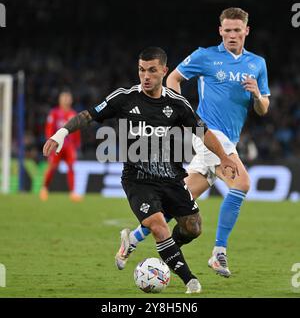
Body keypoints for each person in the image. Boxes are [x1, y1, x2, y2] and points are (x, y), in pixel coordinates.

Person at [43, 47, 238, 293]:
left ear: (164, 71)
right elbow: (89, 115)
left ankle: (143, 244)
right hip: (138, 180)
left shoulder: (176, 104)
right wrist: (61, 133)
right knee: (158, 226)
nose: (146, 76)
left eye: (152, 71)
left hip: (172, 178)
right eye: (141, 70)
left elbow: (204, 132)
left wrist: (224, 158)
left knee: (193, 228)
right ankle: (190, 280)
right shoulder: (124, 98)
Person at [116, 7, 270, 278]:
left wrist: (257, 95)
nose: (232, 35)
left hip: (227, 139)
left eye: (237, 30)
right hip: (208, 133)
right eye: (227, 30)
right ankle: (218, 252)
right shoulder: (205, 56)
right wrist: (184, 114)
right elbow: (174, 78)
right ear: (220, 30)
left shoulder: (257, 64)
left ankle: (134, 239)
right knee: (242, 183)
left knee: (182, 199)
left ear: (246, 31)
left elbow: (263, 109)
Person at [40, 90, 82, 202]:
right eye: (64, 98)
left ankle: (73, 193)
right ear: (60, 100)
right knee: (52, 167)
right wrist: (51, 141)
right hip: (57, 145)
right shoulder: (54, 113)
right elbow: (49, 128)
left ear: (71, 100)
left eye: (68, 98)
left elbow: (77, 132)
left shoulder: (73, 114)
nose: (66, 100)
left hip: (69, 147)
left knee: (71, 168)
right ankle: (44, 188)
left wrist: (76, 146)